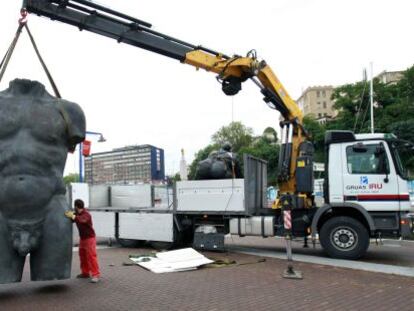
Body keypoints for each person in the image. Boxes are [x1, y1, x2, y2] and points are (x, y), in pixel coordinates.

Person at [65, 199, 100, 283]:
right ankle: (85, 273)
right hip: (83, 238)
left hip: (90, 238)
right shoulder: (77, 214)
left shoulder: (86, 214)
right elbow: (74, 219)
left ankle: (96, 275)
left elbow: (82, 220)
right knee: (82, 256)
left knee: (91, 256)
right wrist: (68, 215)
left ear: (76, 206)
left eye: (75, 207)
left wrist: (73, 216)